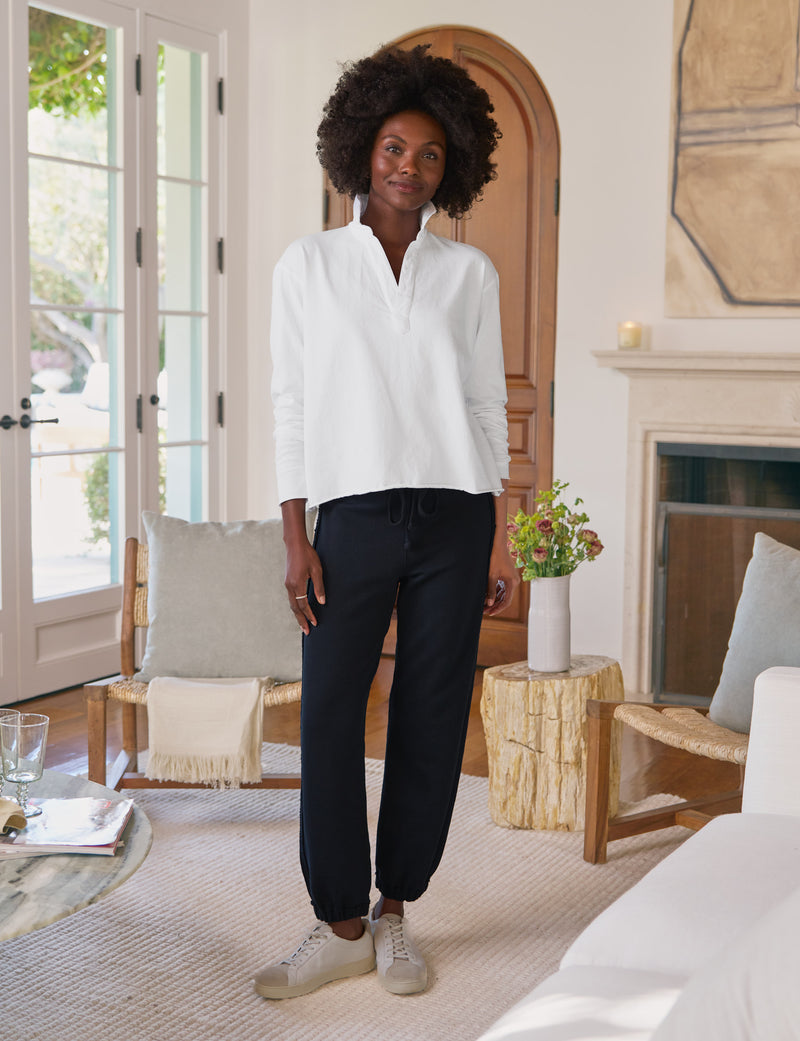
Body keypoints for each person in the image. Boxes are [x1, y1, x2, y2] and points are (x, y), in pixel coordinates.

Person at [255, 43, 519, 1001]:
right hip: (352, 517)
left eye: (431, 154)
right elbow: (288, 403)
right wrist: (295, 532)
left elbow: (487, 409)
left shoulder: (470, 274)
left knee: (433, 715)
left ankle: (399, 909)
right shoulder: (310, 266)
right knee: (328, 713)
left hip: (454, 517)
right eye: (394, 147)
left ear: (454, 169)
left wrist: (496, 529)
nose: (410, 166)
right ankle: (338, 922)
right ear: (363, 151)